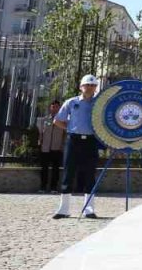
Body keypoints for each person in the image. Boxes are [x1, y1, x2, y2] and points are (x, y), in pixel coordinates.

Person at [52, 76, 100, 219]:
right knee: (68, 172)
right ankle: (64, 209)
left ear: (95, 87)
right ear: (81, 87)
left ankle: (89, 209)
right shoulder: (71, 102)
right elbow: (57, 120)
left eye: (92, 85)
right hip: (73, 140)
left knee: (90, 173)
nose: (89, 87)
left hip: (91, 140)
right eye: (87, 84)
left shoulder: (98, 103)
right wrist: (71, 128)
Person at [37, 100, 65, 193]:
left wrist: (62, 146)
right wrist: (40, 144)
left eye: (57, 107)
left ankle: (53, 188)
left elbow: (65, 134)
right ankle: (43, 187)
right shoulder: (44, 120)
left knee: (55, 169)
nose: (55, 108)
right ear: (50, 107)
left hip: (56, 148)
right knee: (44, 168)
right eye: (53, 106)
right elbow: (41, 133)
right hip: (45, 147)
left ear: (59, 108)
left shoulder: (63, 120)